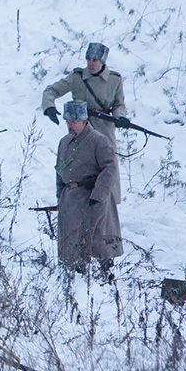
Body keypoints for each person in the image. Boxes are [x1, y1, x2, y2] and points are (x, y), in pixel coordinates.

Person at [55, 101, 122, 275]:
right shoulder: (64, 142)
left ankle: (105, 276)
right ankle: (76, 275)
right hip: (70, 199)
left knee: (98, 239)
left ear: (84, 121)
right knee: (71, 240)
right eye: (68, 121)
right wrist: (60, 194)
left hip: (92, 198)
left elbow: (110, 168)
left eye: (74, 121)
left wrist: (98, 196)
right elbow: (59, 170)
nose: (70, 125)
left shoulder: (99, 141)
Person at [40, 42, 128, 141]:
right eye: (88, 59)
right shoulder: (77, 77)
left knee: (107, 154)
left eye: (94, 60)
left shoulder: (114, 80)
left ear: (102, 62)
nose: (90, 63)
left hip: (104, 130)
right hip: (80, 130)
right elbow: (51, 90)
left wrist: (120, 117)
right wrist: (49, 107)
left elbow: (119, 104)